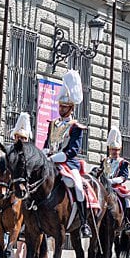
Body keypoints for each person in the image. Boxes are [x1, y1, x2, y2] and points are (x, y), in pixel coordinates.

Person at [42, 70, 93, 238]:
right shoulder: (53, 124)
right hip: (49, 162)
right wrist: (43, 155)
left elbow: (73, 150)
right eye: (60, 106)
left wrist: (54, 158)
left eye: (65, 107)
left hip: (67, 164)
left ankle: (84, 222)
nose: (61, 109)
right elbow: (46, 143)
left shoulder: (75, 126)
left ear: (71, 108)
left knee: (77, 186)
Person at [102, 126, 130, 235]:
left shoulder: (123, 162)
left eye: (117, 150)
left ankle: (129, 222)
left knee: (128, 198)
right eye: (113, 150)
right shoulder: (105, 161)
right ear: (110, 149)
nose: (115, 152)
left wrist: (111, 181)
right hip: (104, 186)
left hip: (116, 187)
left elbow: (124, 177)